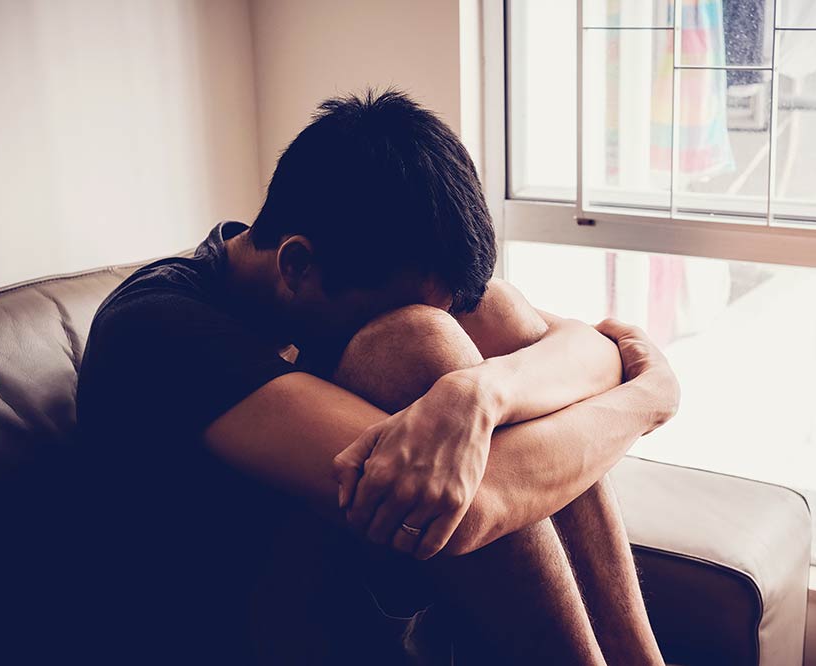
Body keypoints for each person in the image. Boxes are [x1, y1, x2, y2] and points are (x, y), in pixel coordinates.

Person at [76, 89, 680, 665]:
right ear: (296, 264)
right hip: (237, 631)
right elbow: (461, 512)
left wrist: (480, 393)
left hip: (362, 598)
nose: (420, 316)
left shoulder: (337, 257)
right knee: (417, 342)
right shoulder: (157, 331)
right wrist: (647, 400)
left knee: (493, 309)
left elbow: (590, 351)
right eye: (393, 304)